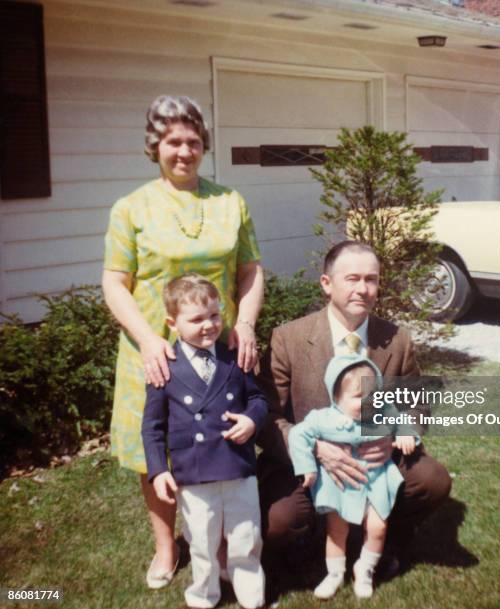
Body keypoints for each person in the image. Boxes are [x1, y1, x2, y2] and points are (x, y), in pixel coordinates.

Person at [102, 95, 263, 588]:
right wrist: (149, 340)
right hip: (154, 350)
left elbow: (250, 270)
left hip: (218, 349)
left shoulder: (229, 201)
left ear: (203, 146)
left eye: (193, 141)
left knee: (220, 438)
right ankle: (166, 547)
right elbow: (114, 282)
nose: (184, 151)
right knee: (157, 450)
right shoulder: (131, 208)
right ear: (155, 146)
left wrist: (248, 325)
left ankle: (219, 543)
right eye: (173, 141)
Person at [257, 240, 452, 566]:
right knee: (277, 522)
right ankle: (313, 539)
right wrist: (315, 448)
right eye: (352, 279)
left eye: (371, 279)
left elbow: (415, 403)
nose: (363, 288)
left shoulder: (396, 339)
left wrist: (389, 438)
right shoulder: (288, 338)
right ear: (327, 284)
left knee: (433, 482)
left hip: (377, 458)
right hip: (311, 459)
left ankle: (382, 535)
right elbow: (267, 415)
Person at [142, 274, 266, 609]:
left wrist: (252, 420)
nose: (208, 325)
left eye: (214, 315)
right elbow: (152, 427)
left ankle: (251, 595)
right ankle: (203, 596)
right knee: (202, 540)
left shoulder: (232, 355)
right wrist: (158, 470)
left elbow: (258, 399)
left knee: (245, 536)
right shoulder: (164, 367)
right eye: (196, 319)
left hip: (237, 464)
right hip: (193, 472)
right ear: (172, 322)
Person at [289, 355, 419, 599]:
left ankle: (365, 568)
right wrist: (307, 466)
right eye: (358, 397)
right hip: (342, 483)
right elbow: (298, 435)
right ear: (337, 397)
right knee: (337, 531)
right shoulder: (323, 418)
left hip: (375, 479)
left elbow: (402, 421)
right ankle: (335, 573)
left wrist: (404, 435)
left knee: (378, 528)